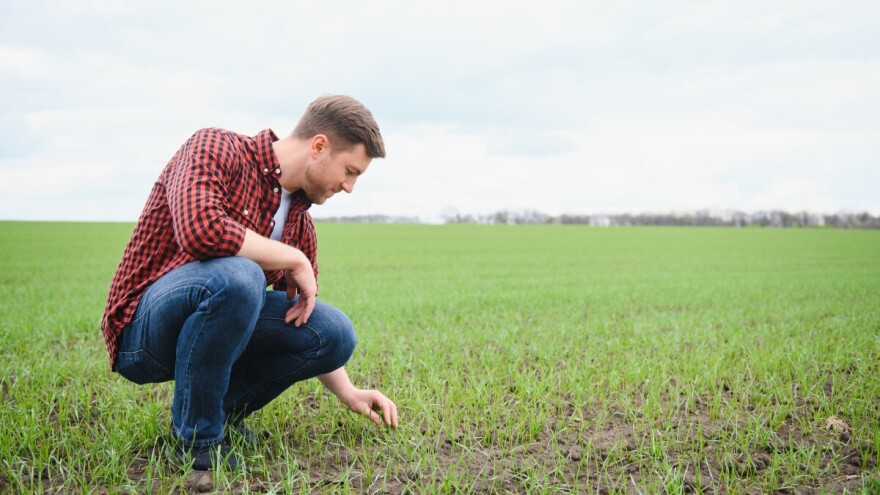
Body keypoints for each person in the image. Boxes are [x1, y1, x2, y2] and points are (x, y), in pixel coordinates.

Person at [101, 95, 398, 471]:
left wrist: (349, 392)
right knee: (241, 276)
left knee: (333, 333)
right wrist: (292, 257)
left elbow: (298, 315)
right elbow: (202, 231)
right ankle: (198, 442)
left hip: (213, 323)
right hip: (142, 334)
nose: (350, 186)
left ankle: (213, 413)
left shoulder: (299, 222)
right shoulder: (215, 147)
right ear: (319, 146)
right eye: (350, 170)